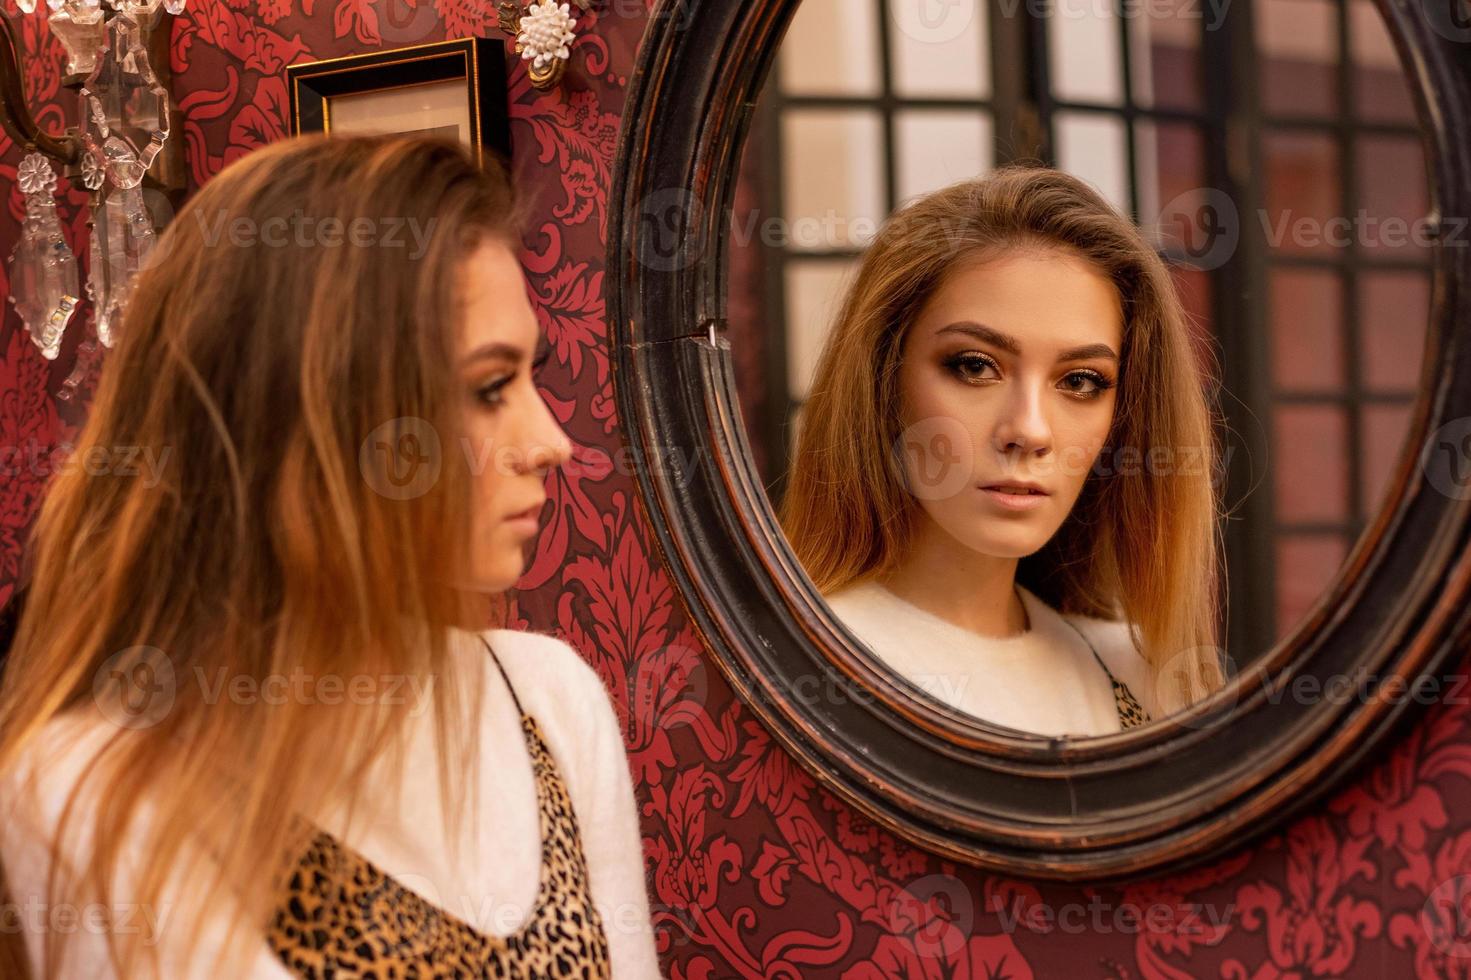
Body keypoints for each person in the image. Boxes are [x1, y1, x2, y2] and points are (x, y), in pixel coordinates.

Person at [0, 134, 659, 978]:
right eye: (491, 388)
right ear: (324, 419)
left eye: (533, 376)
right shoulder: (100, 791)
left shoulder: (549, 700)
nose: (553, 442)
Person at [780, 166, 1229, 736]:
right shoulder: (801, 665)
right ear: (882, 380)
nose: (1030, 430)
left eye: (1081, 381)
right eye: (975, 366)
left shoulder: (1138, 676)